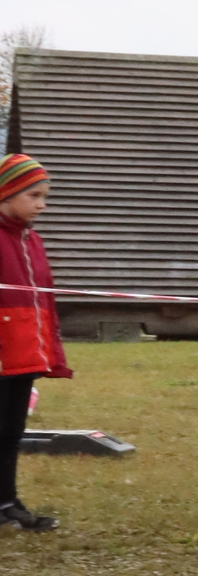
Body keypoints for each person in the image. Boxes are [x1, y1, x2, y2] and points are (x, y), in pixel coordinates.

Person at [0, 150, 69, 532]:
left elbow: (43, 300)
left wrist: (46, 348)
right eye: (34, 196)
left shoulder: (32, 242)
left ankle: (7, 503)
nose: (42, 205)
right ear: (6, 194)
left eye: (45, 197)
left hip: (22, 351)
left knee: (11, 430)